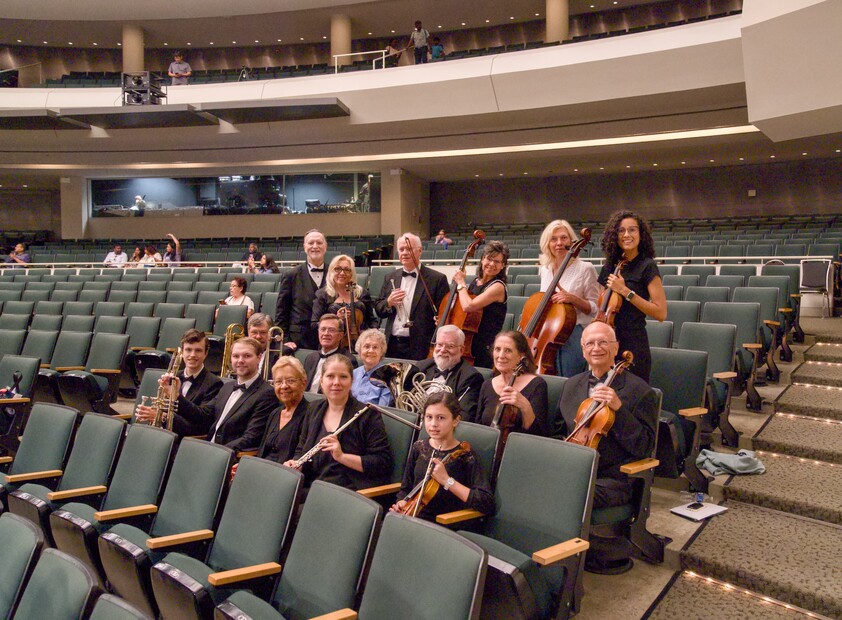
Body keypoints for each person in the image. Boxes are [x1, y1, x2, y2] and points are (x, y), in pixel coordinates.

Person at [551, 321, 657, 573]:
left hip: (613, 480)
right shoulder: (571, 385)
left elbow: (644, 446)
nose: (596, 348)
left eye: (603, 342)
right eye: (590, 343)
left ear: (616, 347)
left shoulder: (639, 390)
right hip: (573, 469)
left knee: (563, 491)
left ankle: (566, 565)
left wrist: (619, 410)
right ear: (582, 349)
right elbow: (557, 431)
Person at [285, 355, 393, 491]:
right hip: (313, 485)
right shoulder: (313, 409)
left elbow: (382, 463)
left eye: (343, 377)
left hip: (347, 491)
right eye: (330, 376)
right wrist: (296, 463)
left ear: (352, 381)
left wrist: (342, 456)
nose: (336, 382)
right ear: (322, 381)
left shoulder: (368, 414)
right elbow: (301, 449)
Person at [390, 391, 494, 521]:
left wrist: (447, 481)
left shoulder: (466, 456)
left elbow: (486, 502)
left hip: (445, 524)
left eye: (441, 418)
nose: (433, 424)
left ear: (456, 420)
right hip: (414, 518)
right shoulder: (419, 447)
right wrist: (402, 502)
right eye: (429, 417)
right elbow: (405, 489)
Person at [163, 337, 275, 450]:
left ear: (259, 358)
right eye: (236, 356)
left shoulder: (266, 394)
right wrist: (176, 395)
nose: (240, 360)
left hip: (229, 455)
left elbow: (251, 438)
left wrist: (216, 452)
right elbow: (202, 416)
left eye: (247, 356)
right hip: (209, 448)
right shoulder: (227, 387)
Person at [598, 210, 667, 383]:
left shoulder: (647, 266)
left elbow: (661, 313)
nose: (626, 235)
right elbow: (601, 304)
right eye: (621, 231)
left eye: (632, 230)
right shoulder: (609, 266)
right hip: (608, 342)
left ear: (640, 234)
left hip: (634, 343)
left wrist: (625, 291)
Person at [538, 220, 599, 377]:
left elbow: (595, 309)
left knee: (569, 380)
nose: (559, 243)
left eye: (563, 238)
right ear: (547, 243)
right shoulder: (545, 270)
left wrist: (573, 299)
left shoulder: (586, 268)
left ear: (571, 241)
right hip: (548, 333)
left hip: (573, 333)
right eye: (553, 239)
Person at [134, 329, 223, 436]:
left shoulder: (214, 383)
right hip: (163, 435)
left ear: (205, 353)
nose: (192, 355)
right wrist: (150, 413)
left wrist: (162, 416)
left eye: (198, 350)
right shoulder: (173, 376)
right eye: (188, 350)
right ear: (182, 352)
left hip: (187, 440)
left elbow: (201, 420)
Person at [374, 232, 449, 360]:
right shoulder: (390, 277)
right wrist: (389, 302)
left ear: (420, 251)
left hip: (422, 346)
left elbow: (444, 314)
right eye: (401, 249)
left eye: (409, 249)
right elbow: (379, 310)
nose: (404, 253)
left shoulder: (437, 279)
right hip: (392, 344)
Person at [476, 330, 548, 436]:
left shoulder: (537, 385)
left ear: (521, 356)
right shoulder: (487, 385)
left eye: (508, 350)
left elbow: (539, 435)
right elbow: (477, 427)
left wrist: (524, 406)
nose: (501, 355)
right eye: (497, 349)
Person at [451, 239, 509, 369]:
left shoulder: (498, 287)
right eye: (489, 259)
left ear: (503, 265)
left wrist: (461, 283)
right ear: (482, 259)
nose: (492, 264)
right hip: (470, 340)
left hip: (485, 345)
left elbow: (468, 306)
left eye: (497, 262)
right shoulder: (475, 281)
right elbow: (462, 308)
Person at [415, 325, 483, 422]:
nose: (443, 350)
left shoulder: (471, 377)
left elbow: (464, 416)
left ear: (461, 350)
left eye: (450, 346)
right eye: (439, 344)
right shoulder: (421, 367)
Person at [276, 229, 328, 351]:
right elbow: (282, 311)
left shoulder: (334, 273)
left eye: (319, 243)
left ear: (325, 247)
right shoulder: (291, 275)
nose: (315, 246)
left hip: (328, 339)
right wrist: (285, 339)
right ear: (305, 247)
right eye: (311, 243)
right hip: (298, 341)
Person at [256, 357, 309, 464]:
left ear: (303, 383)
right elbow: (262, 452)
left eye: (290, 381)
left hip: (286, 471)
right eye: (278, 382)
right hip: (263, 469)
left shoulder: (311, 415)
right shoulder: (275, 413)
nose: (284, 386)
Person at [311, 254, 372, 340]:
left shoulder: (362, 293)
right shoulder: (322, 294)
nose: (342, 273)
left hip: (360, 341)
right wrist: (335, 320)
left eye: (347, 270)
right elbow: (314, 324)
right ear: (331, 271)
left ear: (352, 273)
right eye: (337, 269)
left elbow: (372, 321)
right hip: (332, 342)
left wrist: (367, 334)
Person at [304, 314, 357, 393]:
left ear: (340, 335)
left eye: (331, 330)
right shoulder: (310, 357)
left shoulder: (348, 360)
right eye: (323, 329)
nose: (326, 333)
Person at [351, 328, 393, 406]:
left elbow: (382, 410)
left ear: (381, 352)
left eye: (375, 347)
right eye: (367, 346)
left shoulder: (387, 378)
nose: (371, 351)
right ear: (359, 351)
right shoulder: (353, 374)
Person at [247, 313, 280, 380]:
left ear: (271, 333)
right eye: (254, 332)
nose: (258, 337)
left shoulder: (282, 353)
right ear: (248, 332)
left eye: (263, 332)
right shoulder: (240, 350)